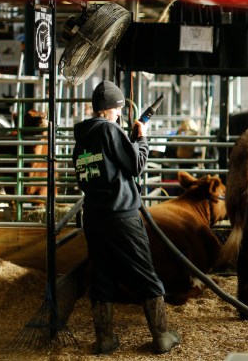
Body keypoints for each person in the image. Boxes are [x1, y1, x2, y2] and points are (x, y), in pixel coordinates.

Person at [72, 80, 180, 355]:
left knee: (102, 276)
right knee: (146, 274)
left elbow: (105, 164)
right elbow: (136, 165)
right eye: (118, 109)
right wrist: (141, 137)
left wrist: (128, 141)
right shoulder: (110, 129)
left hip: (94, 217)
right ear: (110, 109)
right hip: (122, 216)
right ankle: (161, 336)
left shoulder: (82, 135)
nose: (120, 114)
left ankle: (105, 339)